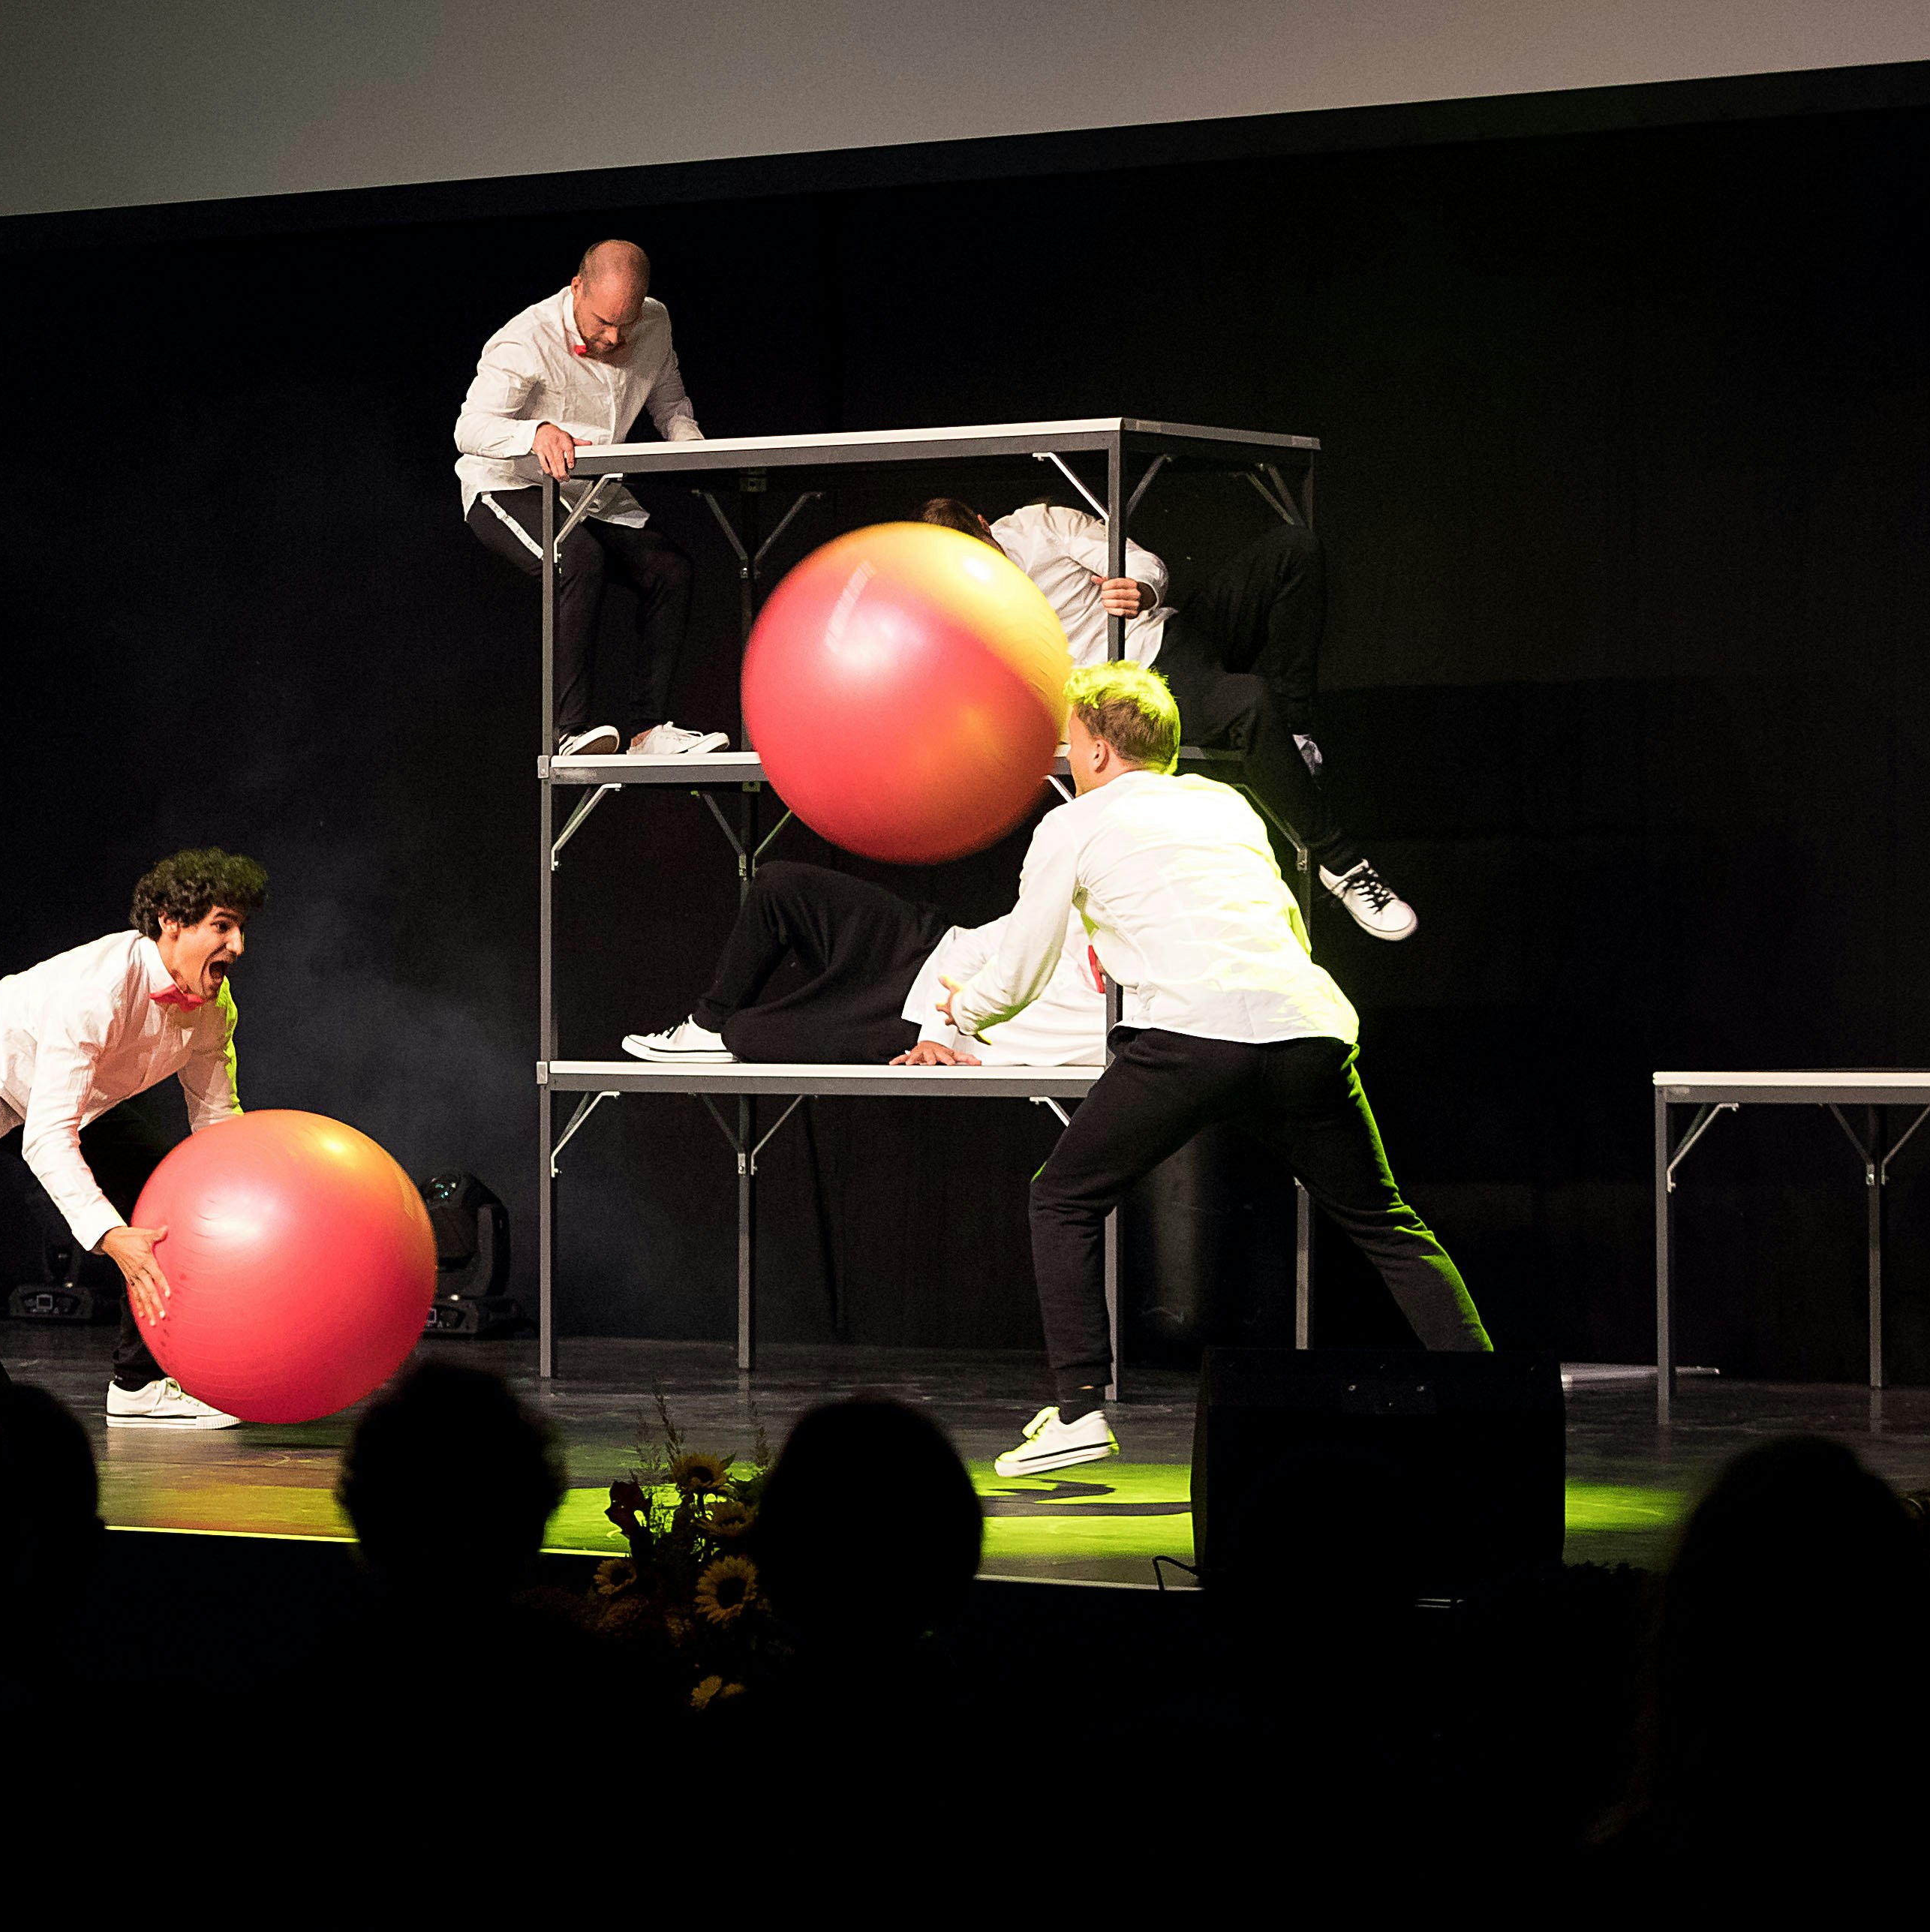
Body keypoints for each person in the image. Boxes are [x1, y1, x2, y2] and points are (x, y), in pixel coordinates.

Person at [946, 665, 1487, 1478]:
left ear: (1092, 745)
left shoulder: (1073, 823)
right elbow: (1275, 921)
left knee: (1061, 1197)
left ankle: (1080, 1406)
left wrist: (961, 1010)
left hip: (1193, 1040)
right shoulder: (1224, 803)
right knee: (1385, 1220)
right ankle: (1493, 1400)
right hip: (1305, 1029)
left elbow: (1022, 968)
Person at [0, 848, 262, 1427]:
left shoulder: (212, 1006)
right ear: (171, 924)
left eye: (241, 929)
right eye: (222, 927)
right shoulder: (101, 988)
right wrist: (110, 1235)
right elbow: (49, 1139)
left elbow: (213, 1119)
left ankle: (139, 1384)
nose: (237, 947)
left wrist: (236, 1197)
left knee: (169, 1185)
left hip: (42, 1095)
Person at [923, 497, 1416, 942]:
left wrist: (1138, 588)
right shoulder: (965, 614)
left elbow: (1142, 562)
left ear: (988, 525)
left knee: (1294, 550)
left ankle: (1297, 732)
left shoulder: (1039, 525)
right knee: (1248, 701)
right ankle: (1342, 864)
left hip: (1175, 630)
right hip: (1144, 686)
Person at [456, 239, 725, 762]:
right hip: (508, 484)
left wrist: (690, 443)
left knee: (670, 569)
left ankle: (649, 733)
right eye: (603, 322)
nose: (613, 337)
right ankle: (568, 734)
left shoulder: (655, 323)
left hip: (591, 491)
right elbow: (470, 428)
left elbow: (669, 399)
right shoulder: (525, 340)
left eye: (625, 324)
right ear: (577, 287)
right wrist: (535, 432)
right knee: (577, 557)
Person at [620, 862, 1108, 1068]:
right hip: (924, 946)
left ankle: (721, 1034)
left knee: (745, 1035)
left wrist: (935, 1037)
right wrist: (942, 1027)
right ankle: (705, 1025)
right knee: (778, 885)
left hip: (901, 1027)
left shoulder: (1123, 1023)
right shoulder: (1090, 918)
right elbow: (979, 946)